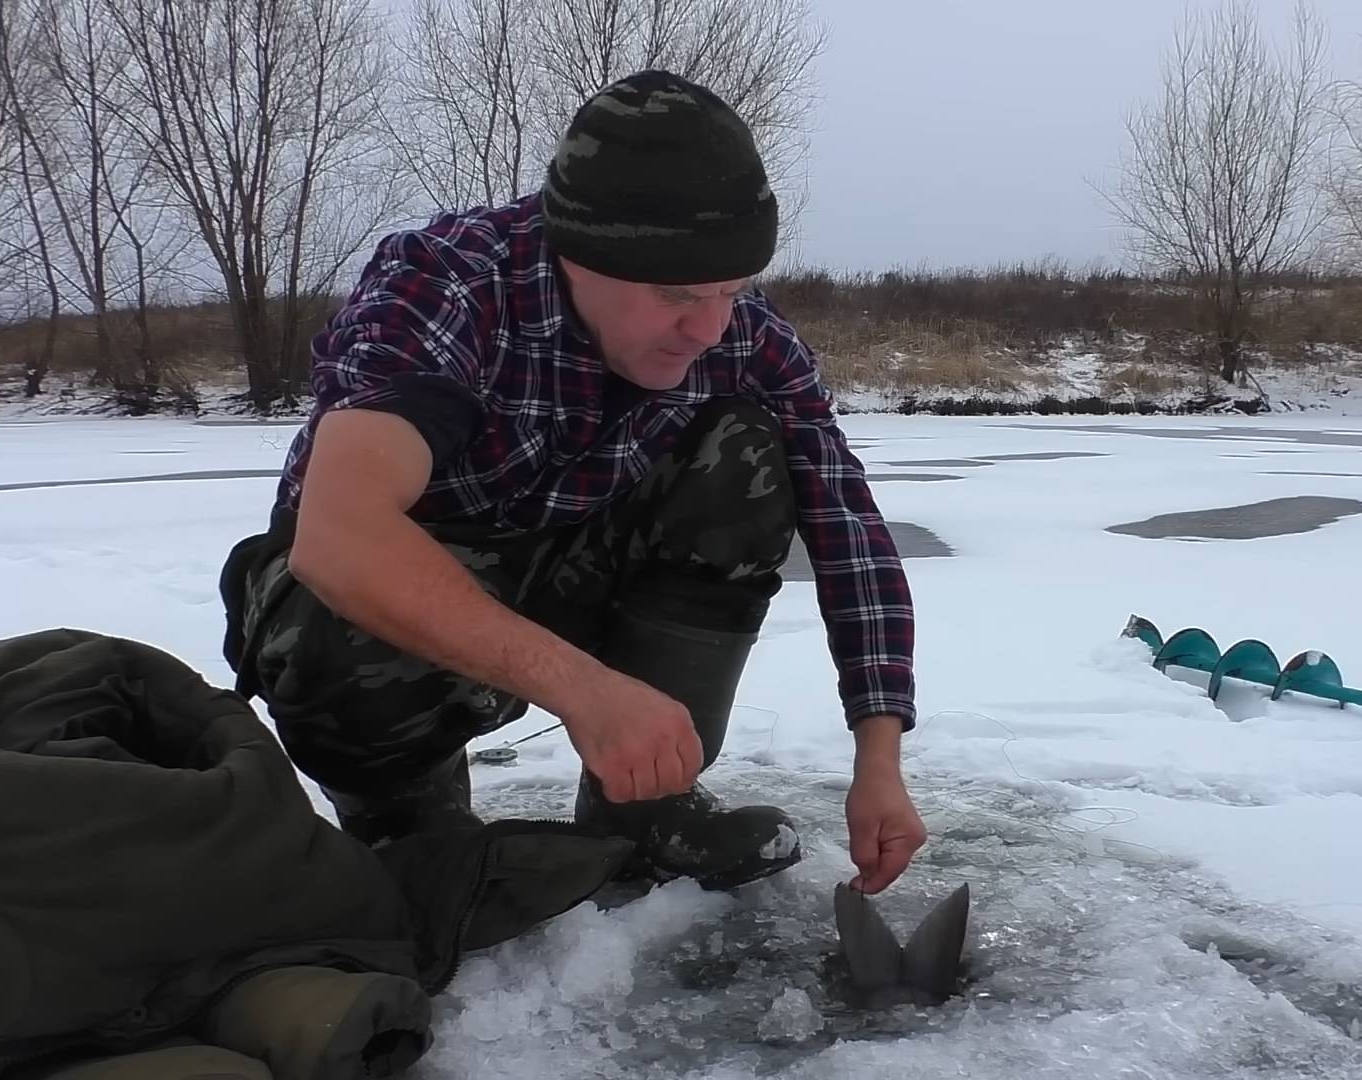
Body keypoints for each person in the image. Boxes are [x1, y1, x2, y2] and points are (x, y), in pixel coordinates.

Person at [217, 69, 924, 896]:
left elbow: (848, 529)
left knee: (747, 455)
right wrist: (585, 690)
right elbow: (339, 539)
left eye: (731, 291)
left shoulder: (742, 338)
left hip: (567, 569)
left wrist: (880, 757)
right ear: (575, 256)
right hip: (382, 603)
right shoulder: (448, 284)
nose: (709, 328)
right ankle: (409, 828)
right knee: (333, 628)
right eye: (677, 294)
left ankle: (646, 804)